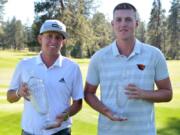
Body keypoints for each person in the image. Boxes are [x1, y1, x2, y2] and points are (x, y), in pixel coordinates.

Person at [84, 3, 172, 135]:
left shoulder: (154, 54)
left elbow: (167, 93)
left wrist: (143, 94)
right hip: (108, 131)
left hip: (144, 131)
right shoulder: (99, 57)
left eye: (128, 19)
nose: (123, 24)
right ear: (112, 24)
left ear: (136, 24)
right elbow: (88, 93)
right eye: (118, 20)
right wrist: (106, 112)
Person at [7, 19, 83, 135]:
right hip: (29, 132)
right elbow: (10, 97)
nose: (53, 40)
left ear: (63, 42)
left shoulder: (72, 68)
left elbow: (78, 103)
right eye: (49, 36)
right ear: (40, 39)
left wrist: (64, 116)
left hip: (60, 131)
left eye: (58, 37)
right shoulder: (24, 65)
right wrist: (19, 92)